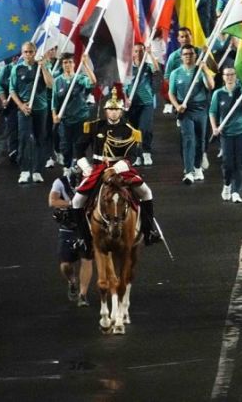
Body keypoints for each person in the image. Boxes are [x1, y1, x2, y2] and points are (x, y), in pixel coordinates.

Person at [71, 92, 161, 248]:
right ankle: (83, 239)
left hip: (121, 168)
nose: (113, 112)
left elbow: (132, 155)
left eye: (116, 110)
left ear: (121, 111)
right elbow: (79, 149)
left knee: (146, 192)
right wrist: (86, 167)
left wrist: (116, 168)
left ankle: (149, 232)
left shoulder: (129, 130)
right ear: (106, 111)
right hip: (98, 169)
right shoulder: (94, 126)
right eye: (110, 109)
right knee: (77, 201)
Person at [209, 67, 242, 203]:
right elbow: (212, 112)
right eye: (227, 75)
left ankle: (236, 192)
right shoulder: (218, 94)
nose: (230, 77)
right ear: (223, 77)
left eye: (232, 74)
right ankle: (227, 185)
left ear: (236, 76)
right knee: (228, 163)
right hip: (226, 133)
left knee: (240, 163)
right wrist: (214, 128)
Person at [167, 44, 215, 183]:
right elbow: (171, 93)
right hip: (185, 110)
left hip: (200, 109)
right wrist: (177, 106)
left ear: (195, 56)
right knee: (189, 139)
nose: (188, 56)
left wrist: (205, 69)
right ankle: (188, 171)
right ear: (181, 57)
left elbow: (211, 86)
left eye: (191, 54)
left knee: (200, 140)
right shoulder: (176, 73)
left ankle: (197, 167)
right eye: (185, 54)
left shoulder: (200, 71)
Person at [9, 42, 55, 184]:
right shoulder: (17, 69)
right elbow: (12, 90)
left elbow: (50, 84)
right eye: (25, 52)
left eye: (31, 52)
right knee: (23, 138)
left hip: (40, 108)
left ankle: (37, 171)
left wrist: (43, 68)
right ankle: (24, 170)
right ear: (22, 53)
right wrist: (21, 106)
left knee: (40, 138)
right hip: (24, 109)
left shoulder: (42, 66)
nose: (28, 54)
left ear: (35, 52)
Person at [49, 161, 93, 307]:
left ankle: (83, 294)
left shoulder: (93, 181)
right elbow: (53, 201)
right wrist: (73, 204)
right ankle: (72, 281)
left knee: (87, 259)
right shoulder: (60, 182)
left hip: (86, 226)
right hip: (68, 227)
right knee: (65, 265)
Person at [52, 54, 97, 172]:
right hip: (65, 119)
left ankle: (79, 165)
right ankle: (67, 167)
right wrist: (54, 115)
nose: (67, 65)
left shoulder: (80, 78)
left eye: (70, 62)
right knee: (65, 146)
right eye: (65, 62)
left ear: (74, 64)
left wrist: (86, 64)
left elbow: (92, 82)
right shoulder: (57, 81)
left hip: (80, 118)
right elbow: (54, 101)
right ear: (62, 65)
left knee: (79, 145)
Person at [125, 43, 158, 166]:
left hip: (146, 102)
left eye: (141, 51)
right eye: (136, 51)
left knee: (145, 128)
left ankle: (146, 152)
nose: (138, 53)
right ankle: (138, 156)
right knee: (135, 131)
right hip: (132, 104)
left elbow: (156, 69)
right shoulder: (127, 69)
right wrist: (126, 98)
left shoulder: (147, 67)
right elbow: (123, 86)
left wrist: (150, 53)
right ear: (132, 53)